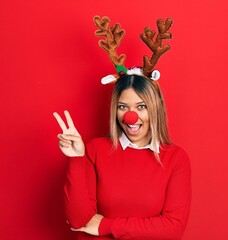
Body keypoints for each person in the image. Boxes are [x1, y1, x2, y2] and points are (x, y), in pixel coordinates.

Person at [53, 16, 191, 240]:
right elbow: (78, 221)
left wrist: (106, 226)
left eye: (141, 106)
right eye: (123, 106)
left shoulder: (175, 158)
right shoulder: (95, 150)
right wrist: (76, 158)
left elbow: (173, 228)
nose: (130, 116)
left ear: (155, 109)